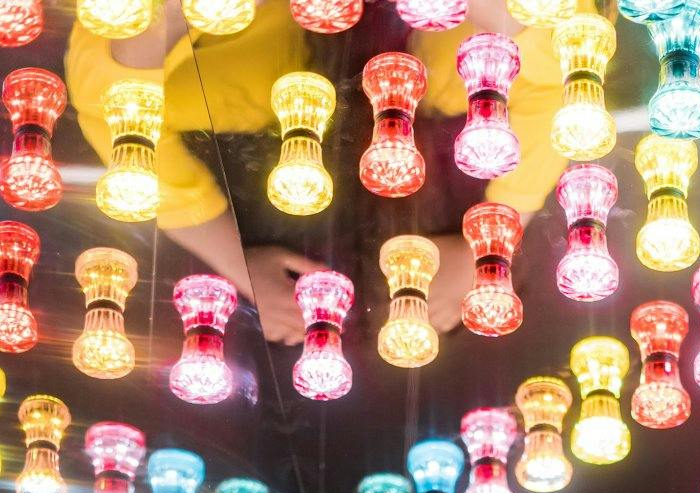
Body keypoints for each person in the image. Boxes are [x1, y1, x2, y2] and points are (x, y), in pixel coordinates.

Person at [64, 0, 588, 344]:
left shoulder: (226, 86)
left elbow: (113, 100)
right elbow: (566, 61)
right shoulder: (470, 75)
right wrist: (490, 244)